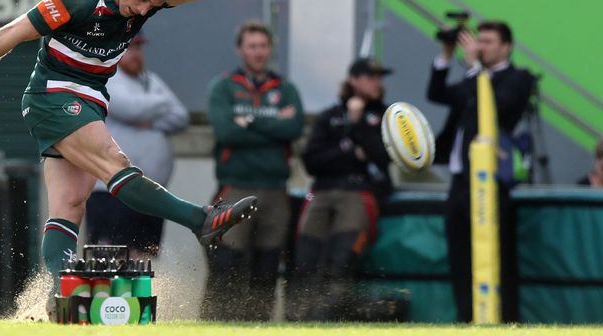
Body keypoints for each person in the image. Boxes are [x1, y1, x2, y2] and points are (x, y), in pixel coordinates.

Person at [0, 0, 279, 299]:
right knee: (116, 163)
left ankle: (60, 295)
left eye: (152, 5)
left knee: (70, 204)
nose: (143, 11)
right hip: (53, 95)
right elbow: (13, 33)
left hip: (89, 99)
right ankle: (201, 220)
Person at [427, 21, 534, 322]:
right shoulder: (474, 78)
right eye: (479, 40)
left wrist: (474, 67)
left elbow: (500, 106)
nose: (480, 46)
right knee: (460, 257)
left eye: (488, 42)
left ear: (506, 47)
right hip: (460, 181)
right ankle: (465, 319)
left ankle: (504, 321)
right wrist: (446, 55)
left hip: (491, 181)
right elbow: (436, 93)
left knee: (496, 258)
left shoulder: (517, 77)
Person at [201, 21, 304, 321]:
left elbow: (294, 128)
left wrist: (249, 121)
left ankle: (258, 326)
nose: (258, 52)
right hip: (235, 187)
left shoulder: (285, 89)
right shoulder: (223, 86)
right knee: (225, 267)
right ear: (240, 49)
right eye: (252, 46)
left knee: (267, 270)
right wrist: (274, 125)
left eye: (263, 46)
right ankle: (214, 325)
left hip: (275, 192)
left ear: (270, 49)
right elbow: (227, 132)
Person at [287, 57, 392, 321]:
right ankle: (299, 320)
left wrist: (356, 125)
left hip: (359, 193)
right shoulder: (329, 116)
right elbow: (312, 161)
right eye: (370, 76)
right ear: (354, 80)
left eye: (379, 77)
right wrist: (350, 149)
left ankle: (330, 319)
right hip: (322, 192)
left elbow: (383, 155)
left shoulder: (386, 116)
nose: (377, 82)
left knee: (341, 261)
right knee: (305, 260)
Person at [85, 33, 189, 257]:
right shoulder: (104, 78)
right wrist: (162, 104)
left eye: (138, 48)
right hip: (112, 191)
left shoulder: (150, 80)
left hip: (150, 194)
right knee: (111, 258)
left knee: (143, 261)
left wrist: (149, 116)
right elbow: (130, 108)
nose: (135, 54)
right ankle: (109, 295)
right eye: (130, 48)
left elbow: (181, 116)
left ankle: (134, 295)